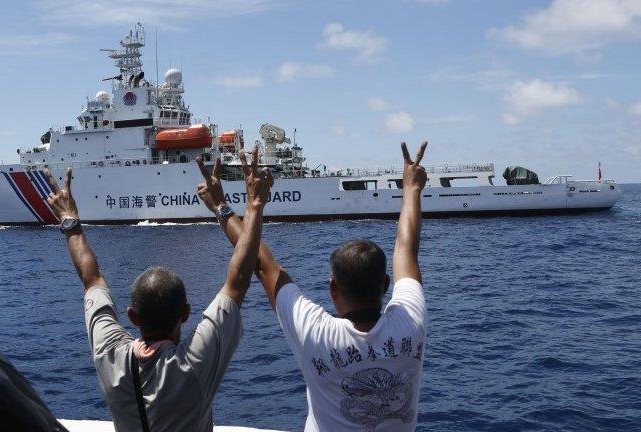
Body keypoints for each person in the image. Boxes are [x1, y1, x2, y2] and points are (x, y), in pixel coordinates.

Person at [196, 143, 429, 432]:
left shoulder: (316, 333)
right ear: (385, 284)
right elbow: (407, 250)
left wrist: (225, 205)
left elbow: (262, 265)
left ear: (333, 288)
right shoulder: (411, 324)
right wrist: (411, 188)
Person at [44, 153, 272, 432]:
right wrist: (247, 205)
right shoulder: (193, 364)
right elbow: (239, 278)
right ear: (186, 313)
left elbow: (91, 278)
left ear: (132, 315)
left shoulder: (110, 354)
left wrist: (70, 220)